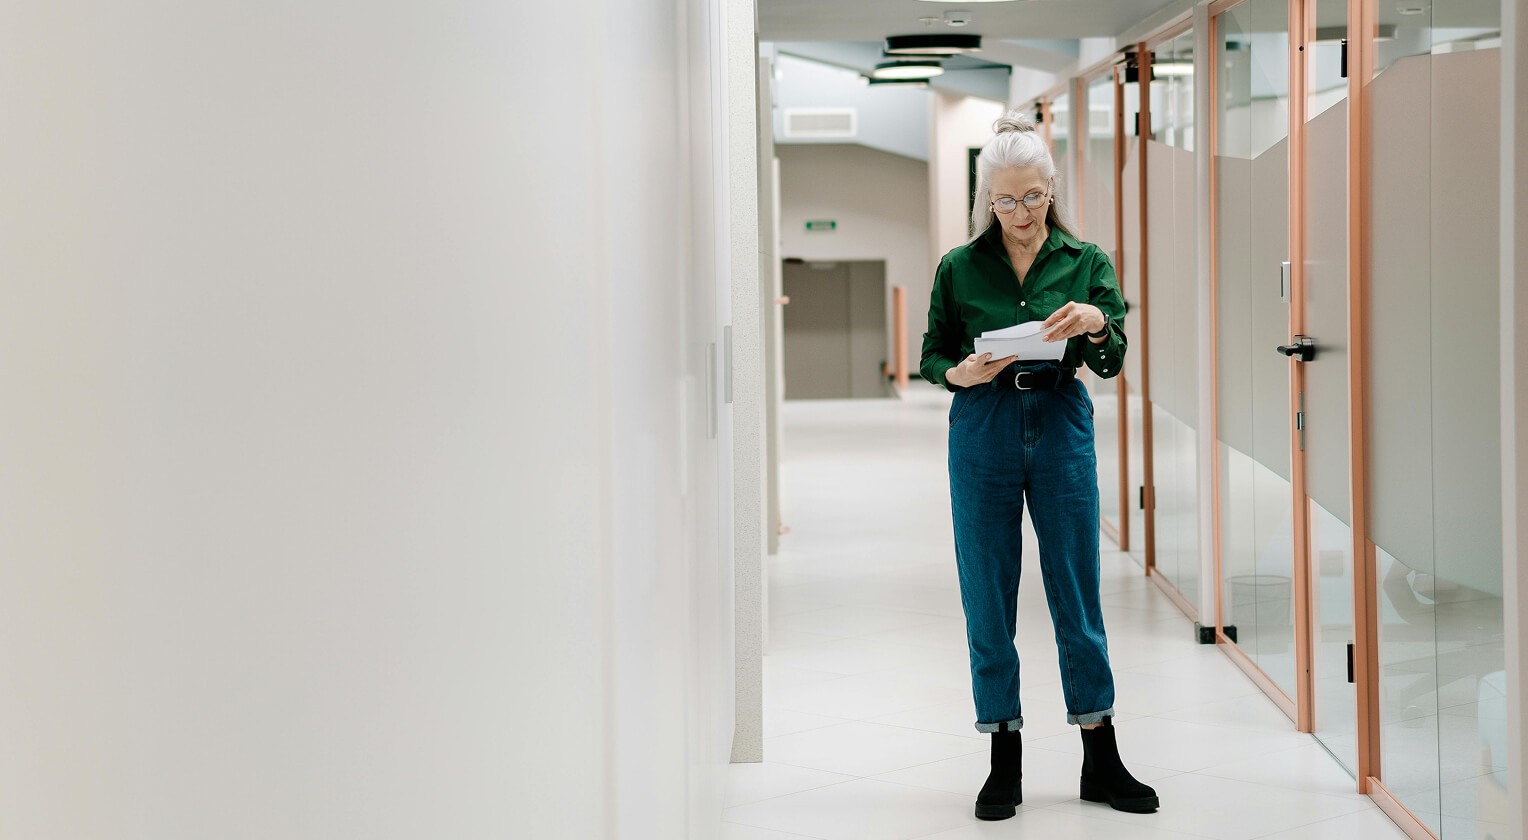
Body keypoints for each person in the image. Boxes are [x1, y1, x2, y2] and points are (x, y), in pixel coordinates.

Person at [920, 111, 1159, 821]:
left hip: (1059, 423)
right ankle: (1004, 757)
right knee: (987, 595)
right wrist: (957, 373)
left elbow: (1111, 362)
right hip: (985, 428)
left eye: (1032, 197)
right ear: (985, 200)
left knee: (1075, 592)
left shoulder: (1085, 262)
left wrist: (1096, 324)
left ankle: (1100, 753)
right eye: (1005, 200)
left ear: (1051, 189)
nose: (1021, 215)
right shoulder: (959, 267)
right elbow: (931, 355)